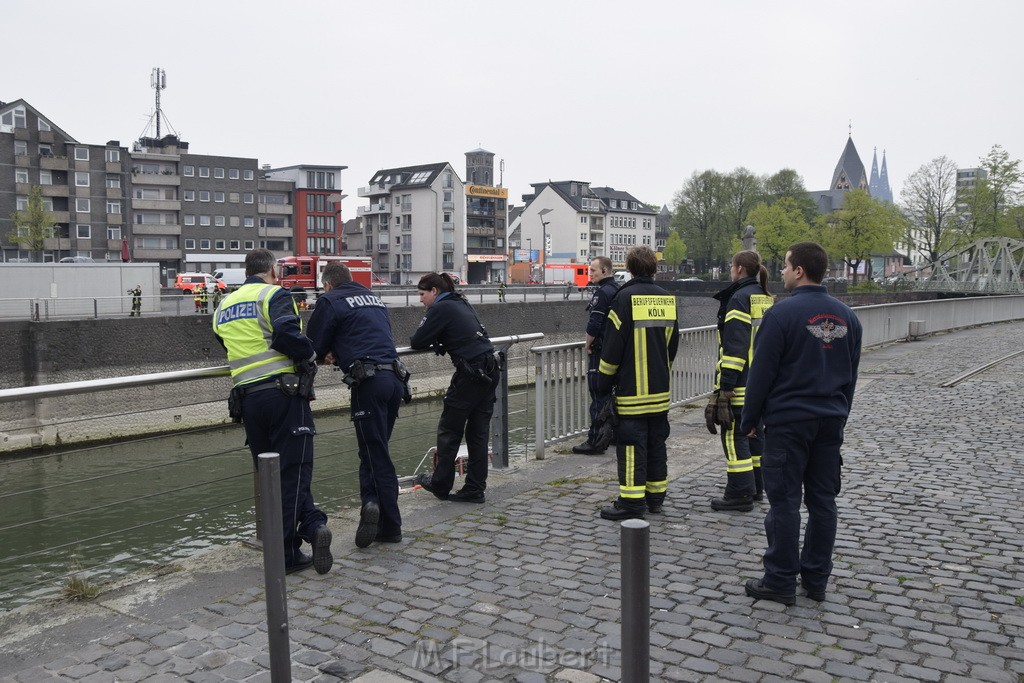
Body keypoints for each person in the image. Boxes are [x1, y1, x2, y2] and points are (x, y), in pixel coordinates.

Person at [740, 242, 862, 605]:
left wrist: (750, 420)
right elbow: (851, 377)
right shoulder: (848, 317)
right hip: (829, 422)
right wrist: (839, 415)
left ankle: (779, 580)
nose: (780, 272)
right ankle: (816, 579)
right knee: (824, 503)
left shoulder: (782, 314)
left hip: (789, 422)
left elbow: (761, 374)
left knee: (785, 503)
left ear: (799, 271)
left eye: (785, 265)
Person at [211, 248, 332, 575]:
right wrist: (310, 354)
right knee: (295, 470)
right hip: (283, 396)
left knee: (270, 475)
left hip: (247, 399)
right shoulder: (274, 294)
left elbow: (225, 345)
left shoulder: (224, 304)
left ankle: (312, 524)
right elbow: (286, 334)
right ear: (273, 270)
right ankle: (287, 554)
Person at [307, 262, 408, 548]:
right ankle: (372, 505)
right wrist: (339, 352)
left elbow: (311, 347)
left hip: (369, 384)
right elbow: (368, 336)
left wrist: (326, 353)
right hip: (394, 380)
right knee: (375, 450)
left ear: (327, 284)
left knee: (375, 455)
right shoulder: (373, 299)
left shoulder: (330, 300)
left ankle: (388, 522)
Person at [595, 246, 679, 520]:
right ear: (654, 267)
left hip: (632, 393)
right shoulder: (668, 299)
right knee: (657, 444)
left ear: (629, 268)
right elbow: (672, 345)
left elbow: (612, 347)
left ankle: (632, 504)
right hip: (659, 391)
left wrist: (603, 381)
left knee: (631, 447)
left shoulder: (624, 298)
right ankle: (655, 498)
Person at [410, 272, 500, 504]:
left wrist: (436, 338)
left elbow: (417, 341)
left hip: (470, 374)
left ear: (434, 292)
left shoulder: (440, 309)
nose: (420, 300)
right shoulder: (460, 301)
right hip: (489, 369)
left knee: (449, 431)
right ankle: (474, 488)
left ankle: (440, 484)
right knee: (478, 433)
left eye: (422, 294)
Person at [706, 250, 773, 512]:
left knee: (735, 436)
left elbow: (735, 348)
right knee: (756, 436)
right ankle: (756, 488)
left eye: (731, 266)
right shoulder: (765, 297)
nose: (730, 271)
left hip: (741, 385)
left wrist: (726, 387)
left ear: (739, 269)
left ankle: (739, 494)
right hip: (762, 382)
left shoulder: (738, 299)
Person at [572, 256, 618, 455]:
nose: (590, 273)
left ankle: (595, 441)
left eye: (593, 270)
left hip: (599, 353)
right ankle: (614, 435)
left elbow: (595, 324)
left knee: (598, 397)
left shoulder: (602, 293)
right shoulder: (618, 290)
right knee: (613, 396)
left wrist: (588, 344)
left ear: (605, 271)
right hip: (615, 352)